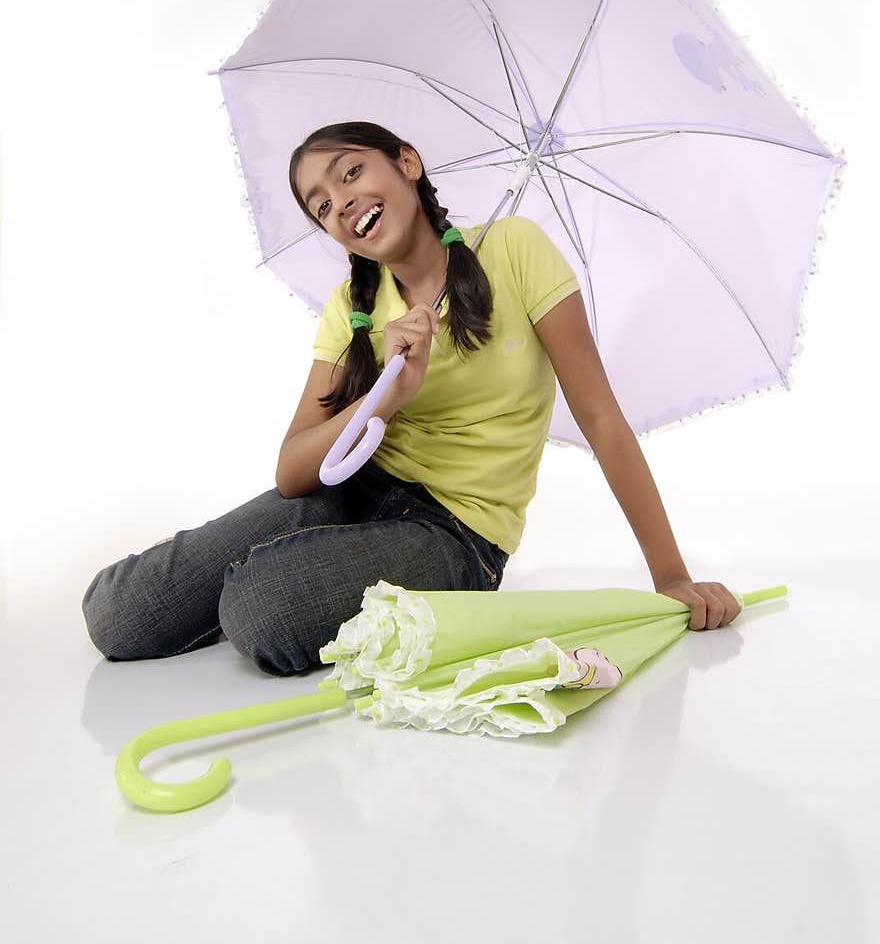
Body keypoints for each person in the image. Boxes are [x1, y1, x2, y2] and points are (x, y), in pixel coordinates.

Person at [81, 120, 741, 678]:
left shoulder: (513, 249)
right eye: (318, 205)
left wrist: (672, 576)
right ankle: (283, 567)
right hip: (354, 490)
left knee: (262, 608)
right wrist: (384, 393)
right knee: (117, 612)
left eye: (349, 173)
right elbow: (292, 470)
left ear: (407, 163)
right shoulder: (355, 307)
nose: (338, 203)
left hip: (454, 535)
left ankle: (286, 573)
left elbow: (601, 419)